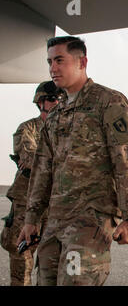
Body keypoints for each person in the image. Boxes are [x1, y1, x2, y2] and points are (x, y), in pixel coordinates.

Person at [17, 36, 128, 286]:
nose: (53, 68)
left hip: (90, 220)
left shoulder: (108, 102)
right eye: (50, 61)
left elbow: (126, 161)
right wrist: (31, 219)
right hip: (55, 221)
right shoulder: (56, 115)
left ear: (82, 61)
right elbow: (42, 170)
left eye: (60, 60)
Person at [0, 81, 60, 285]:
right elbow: (30, 159)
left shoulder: (66, 131)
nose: (57, 101)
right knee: (21, 259)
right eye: (52, 98)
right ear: (40, 102)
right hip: (26, 203)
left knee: (51, 264)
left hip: (54, 206)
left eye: (60, 98)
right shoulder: (27, 129)